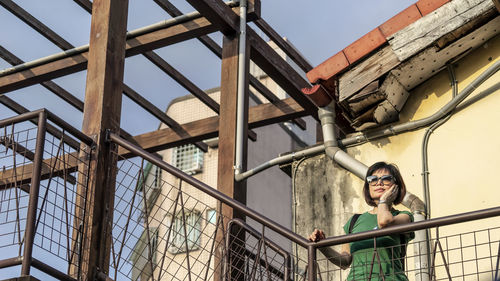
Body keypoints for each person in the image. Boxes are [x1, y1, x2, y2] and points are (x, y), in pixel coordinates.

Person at [308, 161, 414, 280]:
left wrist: (383, 201)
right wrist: (322, 246)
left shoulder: (404, 216)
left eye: (386, 179)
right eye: (373, 179)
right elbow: (345, 261)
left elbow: (384, 222)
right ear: (368, 187)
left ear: (396, 186)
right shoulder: (354, 220)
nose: (379, 183)